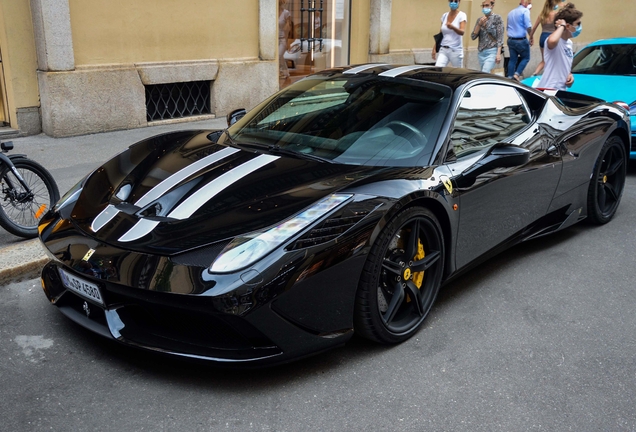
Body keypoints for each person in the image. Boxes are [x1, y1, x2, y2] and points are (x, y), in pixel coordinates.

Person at [537, 3, 583, 90]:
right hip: (549, 89)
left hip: (561, 89)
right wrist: (562, 26)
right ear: (568, 26)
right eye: (578, 24)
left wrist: (569, 75)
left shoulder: (569, 43)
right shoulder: (553, 40)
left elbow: (564, 65)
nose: (580, 27)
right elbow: (552, 41)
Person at [470, 0, 504, 73]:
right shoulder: (480, 19)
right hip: (481, 52)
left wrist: (498, 54)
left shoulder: (497, 18)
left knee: (485, 71)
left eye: (487, 5)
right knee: (484, 73)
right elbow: (473, 36)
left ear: (492, 6)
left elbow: (500, 37)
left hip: (492, 50)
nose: (485, 7)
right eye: (483, 6)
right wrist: (479, 24)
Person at [432, 0, 467, 67]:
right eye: (451, 1)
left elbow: (462, 32)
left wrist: (453, 27)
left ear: (459, 2)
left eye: (456, 1)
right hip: (443, 49)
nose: (453, 3)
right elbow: (441, 33)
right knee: (438, 70)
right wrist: (435, 47)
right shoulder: (444, 16)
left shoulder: (462, 15)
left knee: (458, 73)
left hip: (455, 50)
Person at [529, 0, 560, 76]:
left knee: (544, 60)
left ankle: (535, 73)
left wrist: (531, 37)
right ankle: (551, 75)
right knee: (554, 58)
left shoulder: (541, 15)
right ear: (553, 5)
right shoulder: (556, 15)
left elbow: (534, 28)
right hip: (552, 37)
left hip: (543, 37)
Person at [506, 0, 533, 81]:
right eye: (529, 3)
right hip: (521, 40)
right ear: (524, 3)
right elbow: (528, 26)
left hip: (511, 40)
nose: (530, 5)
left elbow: (508, 27)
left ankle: (509, 77)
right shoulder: (525, 11)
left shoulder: (511, 12)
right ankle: (516, 75)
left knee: (512, 59)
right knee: (526, 58)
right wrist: (531, 37)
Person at [278, 0, 292, 79]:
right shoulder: (271, 13)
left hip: (282, 39)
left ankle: (279, 72)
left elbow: (288, 29)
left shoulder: (286, 13)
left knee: (279, 56)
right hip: (273, 39)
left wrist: (287, 42)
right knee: (280, 57)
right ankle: (284, 73)